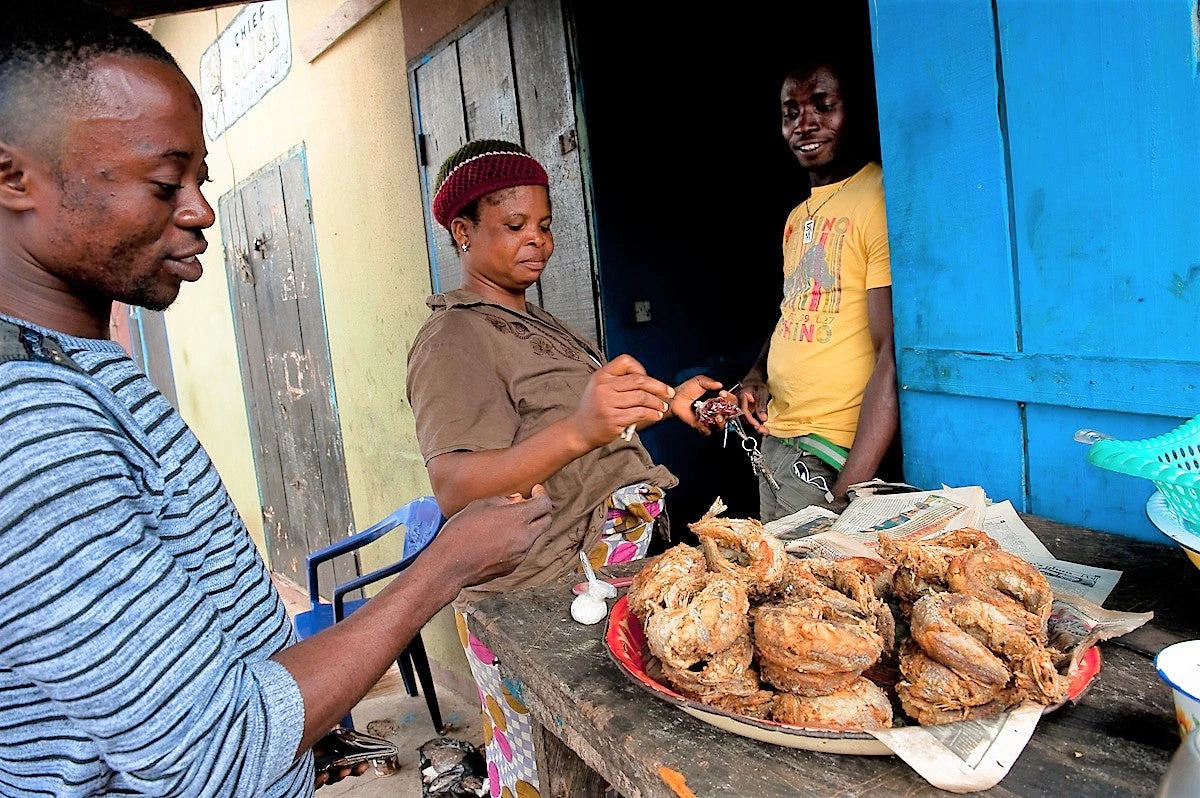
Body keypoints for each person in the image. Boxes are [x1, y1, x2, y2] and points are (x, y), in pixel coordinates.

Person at [0, 3, 552, 796]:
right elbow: (217, 750)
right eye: (165, 183)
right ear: (13, 176)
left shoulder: (84, 366)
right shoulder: (28, 431)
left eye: (200, 179)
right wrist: (444, 565)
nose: (199, 211)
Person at [406, 138, 722, 796]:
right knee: (538, 777)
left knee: (595, 769)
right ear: (462, 232)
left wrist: (672, 403)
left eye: (545, 225)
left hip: (590, 589)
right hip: (533, 605)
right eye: (514, 226)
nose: (538, 242)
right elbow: (454, 484)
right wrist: (580, 427)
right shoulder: (454, 338)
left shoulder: (530, 321)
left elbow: (587, 431)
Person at [734, 52, 898, 522]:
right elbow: (795, 310)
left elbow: (890, 351)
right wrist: (755, 375)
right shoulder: (795, 218)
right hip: (778, 441)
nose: (804, 124)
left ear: (855, 112)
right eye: (791, 113)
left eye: (823, 106)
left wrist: (852, 489)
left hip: (830, 455)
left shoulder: (877, 198)